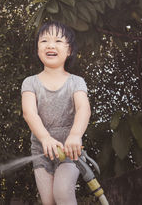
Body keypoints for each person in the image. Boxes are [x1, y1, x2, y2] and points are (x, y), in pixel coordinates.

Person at [21, 21, 91, 205]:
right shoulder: (30, 83)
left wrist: (75, 135)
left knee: (62, 192)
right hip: (41, 150)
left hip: (70, 149)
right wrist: (45, 138)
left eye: (58, 41)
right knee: (49, 201)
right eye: (44, 41)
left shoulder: (76, 82)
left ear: (69, 51)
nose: (50, 45)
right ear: (38, 49)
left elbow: (83, 108)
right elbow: (29, 113)